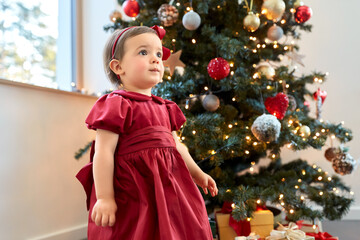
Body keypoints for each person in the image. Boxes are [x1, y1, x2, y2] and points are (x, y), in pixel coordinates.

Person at [76, 25, 218, 239]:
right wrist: (105, 197)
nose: (156, 59)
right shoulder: (117, 104)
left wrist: (197, 173)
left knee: (177, 228)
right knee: (138, 231)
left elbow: (177, 146)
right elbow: (103, 153)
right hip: (133, 189)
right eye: (144, 52)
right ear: (118, 66)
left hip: (170, 184)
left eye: (158, 54)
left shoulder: (166, 107)